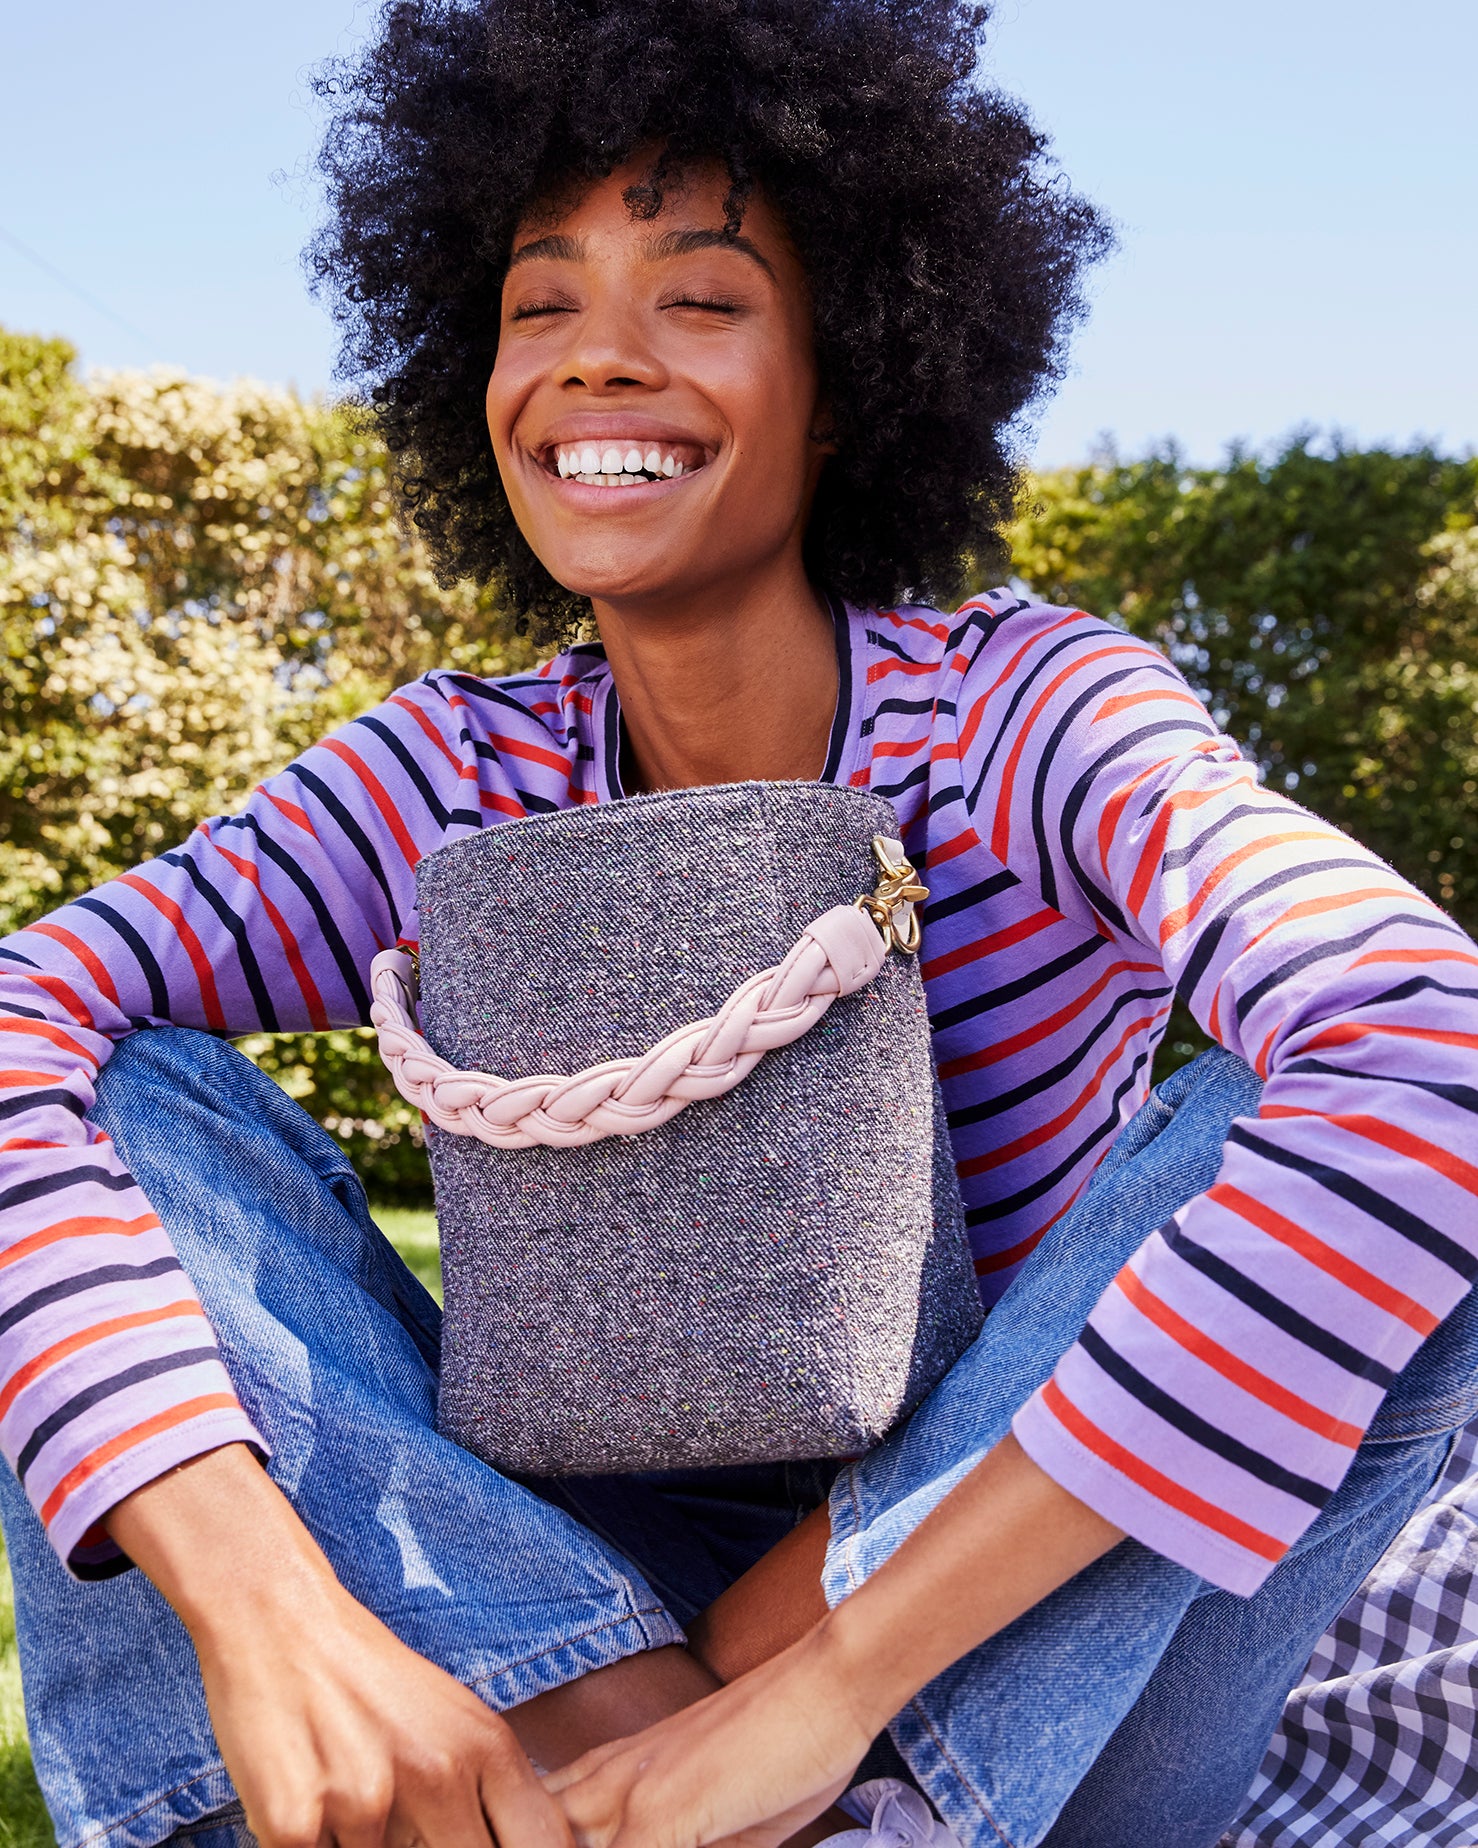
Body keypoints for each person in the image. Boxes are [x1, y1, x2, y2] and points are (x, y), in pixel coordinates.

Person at [2, 2, 1475, 1846]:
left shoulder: (1026, 711)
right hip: (551, 1598)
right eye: (539, 306)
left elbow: (1432, 1039)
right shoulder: (438, 778)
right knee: (111, 1088)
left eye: (698, 301)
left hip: (1012, 1661)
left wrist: (813, 1686)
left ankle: (738, 1776)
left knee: (1347, 1132)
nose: (597, 364)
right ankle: (608, 1724)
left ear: (847, 370)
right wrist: (265, 1603)